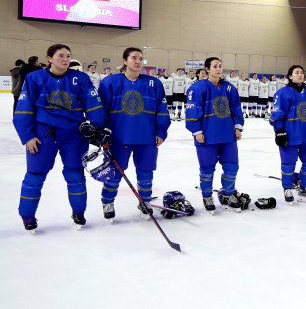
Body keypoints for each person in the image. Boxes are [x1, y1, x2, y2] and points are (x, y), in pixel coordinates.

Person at [13, 44, 105, 231]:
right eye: (60, 55)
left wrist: (96, 127)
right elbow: (23, 109)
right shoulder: (34, 78)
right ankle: (28, 215)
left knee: (75, 175)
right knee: (35, 176)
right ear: (49, 58)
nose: (65, 59)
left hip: (74, 135)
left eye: (68, 55)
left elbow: (93, 104)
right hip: (42, 136)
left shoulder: (80, 78)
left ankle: (79, 213)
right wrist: (28, 136)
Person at [98, 47, 171, 221]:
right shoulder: (110, 82)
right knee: (114, 173)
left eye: (140, 59)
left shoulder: (154, 83)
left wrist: (161, 131)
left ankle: (144, 202)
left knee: (146, 173)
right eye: (133, 58)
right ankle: (107, 202)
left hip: (147, 137)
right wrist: (102, 133)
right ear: (125, 61)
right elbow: (101, 110)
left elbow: (162, 109)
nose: (138, 62)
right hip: (118, 137)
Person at [185, 57, 245, 213]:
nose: (218, 69)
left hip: (227, 136)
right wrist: (197, 131)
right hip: (207, 135)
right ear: (207, 70)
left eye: (220, 66)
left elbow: (236, 108)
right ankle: (207, 196)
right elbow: (192, 111)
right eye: (215, 66)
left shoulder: (229, 88)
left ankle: (228, 195)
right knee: (207, 168)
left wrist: (238, 127)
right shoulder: (197, 88)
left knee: (232, 167)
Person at [270, 65, 306, 204]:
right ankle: (287, 188)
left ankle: (305, 187)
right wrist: (279, 131)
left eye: (302, 72)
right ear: (290, 76)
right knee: (288, 163)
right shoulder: (283, 93)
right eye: (296, 72)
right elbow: (277, 114)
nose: (300, 74)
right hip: (290, 134)